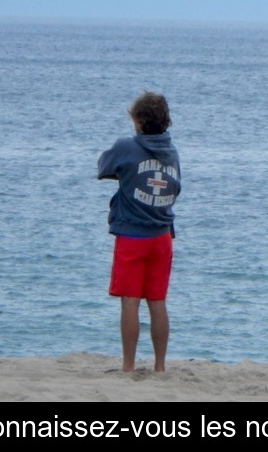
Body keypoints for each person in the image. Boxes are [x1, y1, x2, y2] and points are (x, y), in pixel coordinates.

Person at [97, 91, 181, 373]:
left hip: (132, 236)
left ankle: (129, 366)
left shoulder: (126, 147)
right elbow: (175, 188)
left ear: (140, 121)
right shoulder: (172, 153)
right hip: (162, 237)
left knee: (130, 301)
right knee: (158, 301)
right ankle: (160, 367)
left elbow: (104, 167)